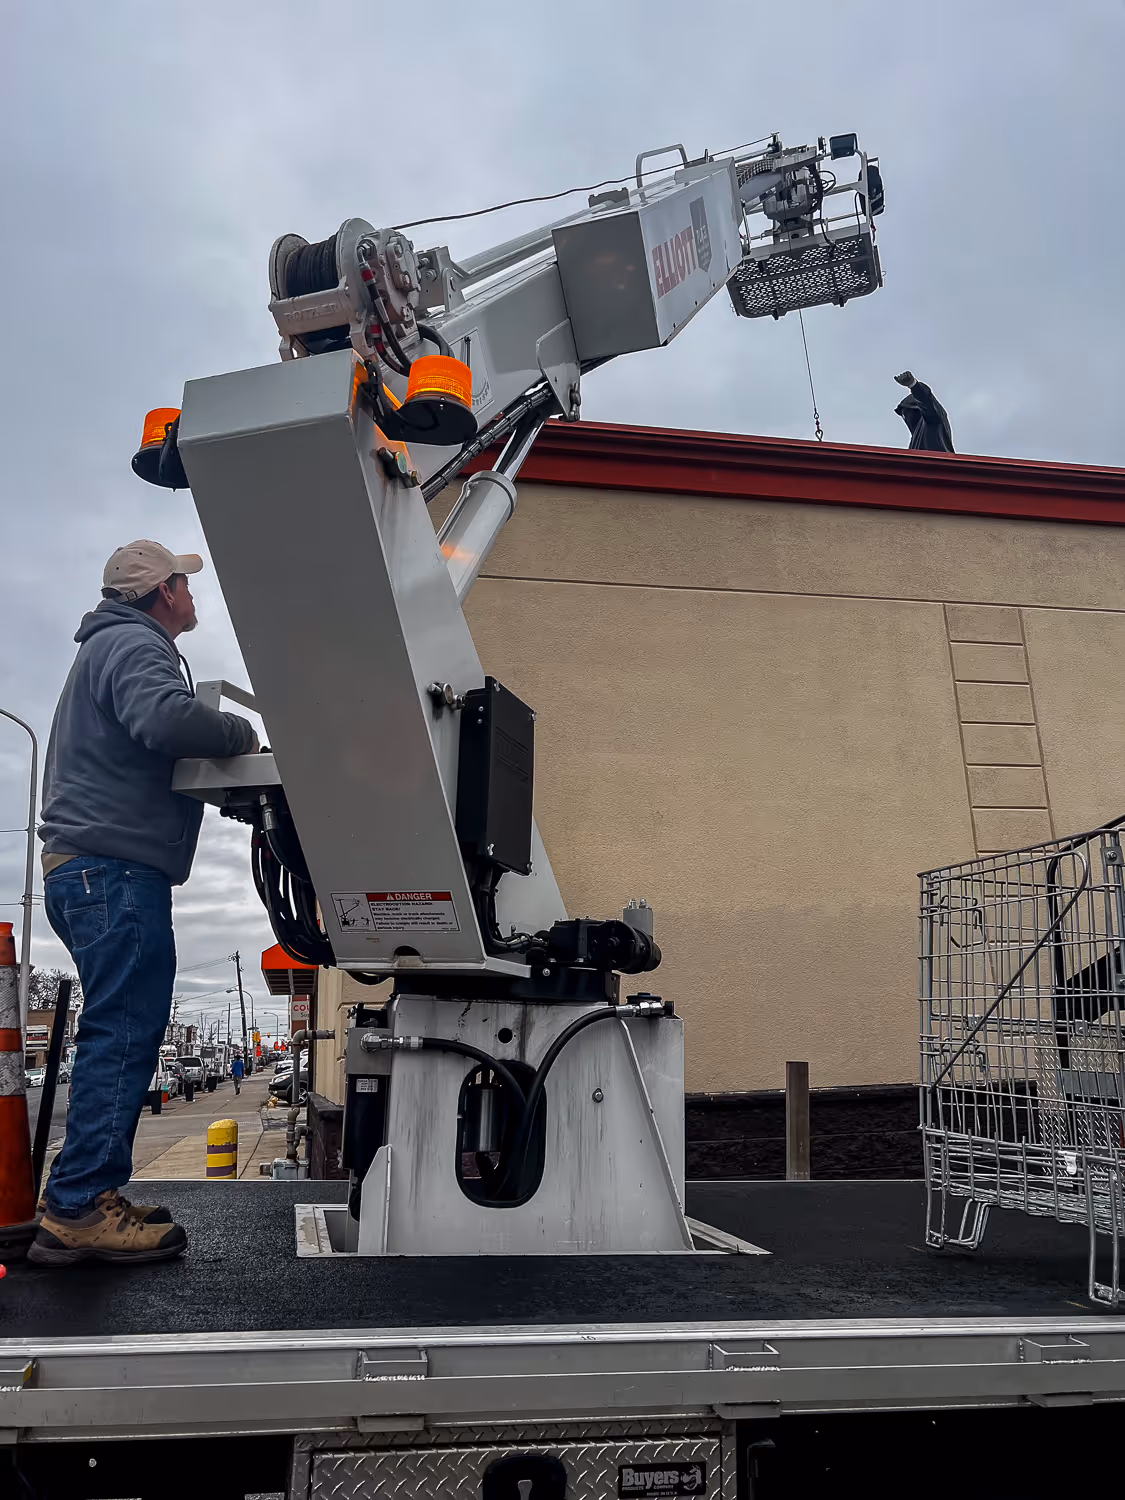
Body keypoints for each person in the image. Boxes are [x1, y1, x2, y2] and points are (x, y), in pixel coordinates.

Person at [29, 541, 257, 1267]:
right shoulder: (133, 643)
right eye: (184, 582)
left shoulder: (108, 645)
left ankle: (82, 1194)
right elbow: (164, 720)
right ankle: (78, 1207)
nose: (192, 593)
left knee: (117, 1029)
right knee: (125, 1032)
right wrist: (240, 733)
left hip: (93, 870)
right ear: (164, 591)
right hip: (112, 871)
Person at [893, 370, 955, 452]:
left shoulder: (932, 419)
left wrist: (913, 385)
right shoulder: (916, 439)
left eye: (907, 413)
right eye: (904, 416)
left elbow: (926, 401)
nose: (906, 418)